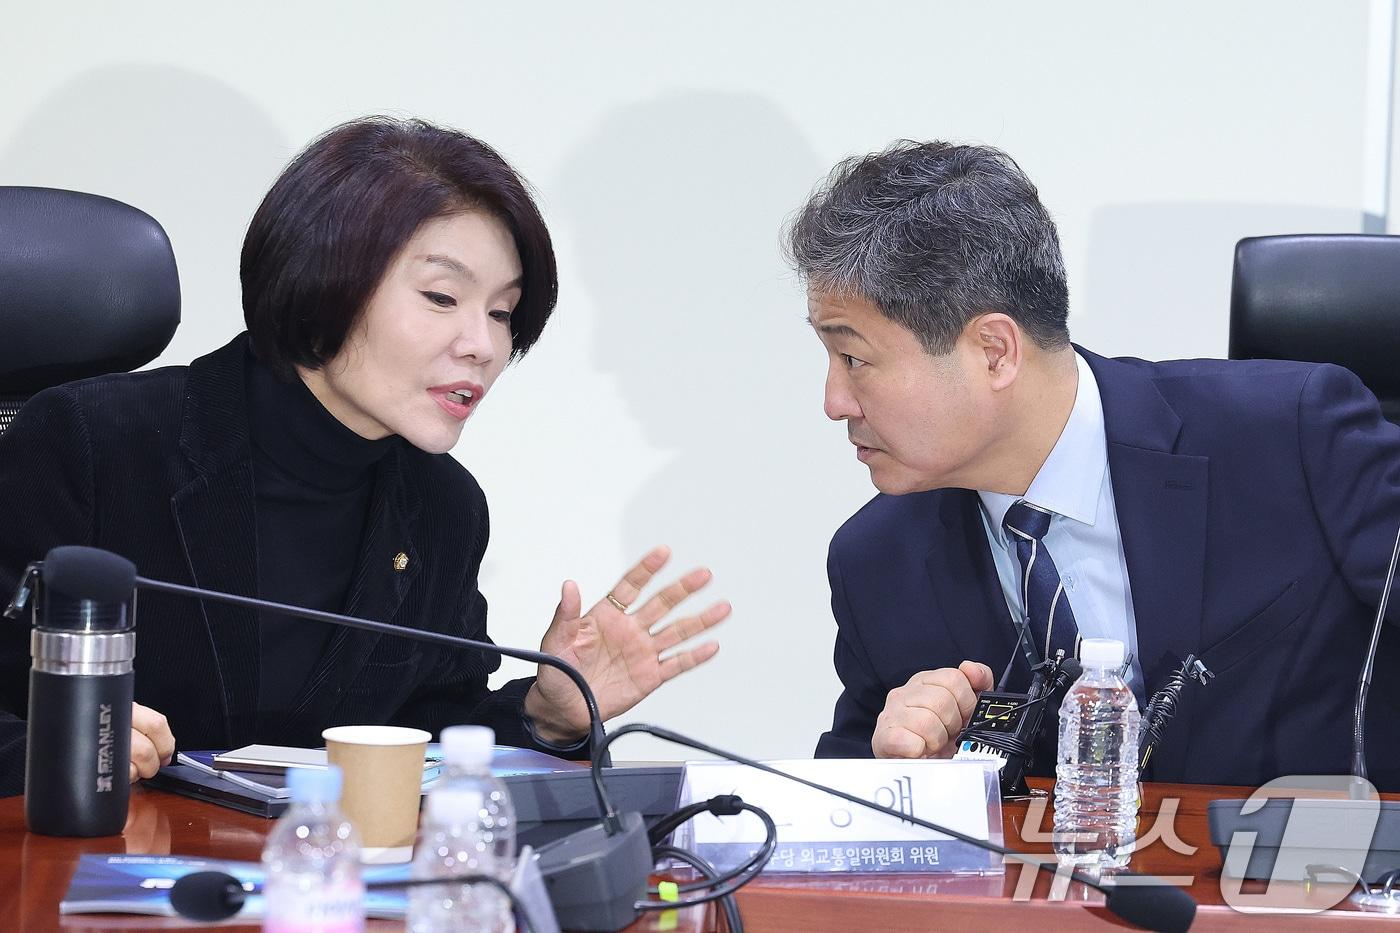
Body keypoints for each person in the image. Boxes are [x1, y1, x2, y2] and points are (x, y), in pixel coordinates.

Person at [0, 116, 730, 797]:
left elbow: (430, 742)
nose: (482, 344)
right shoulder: (92, 441)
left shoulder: (442, 505)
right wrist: (56, 748)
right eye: (443, 297)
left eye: (503, 312)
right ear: (326, 281)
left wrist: (548, 714)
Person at [791, 141, 1400, 789]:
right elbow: (841, 817)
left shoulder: (1292, 437)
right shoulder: (876, 561)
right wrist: (910, 777)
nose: (833, 402)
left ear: (994, 351)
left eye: (854, 358)